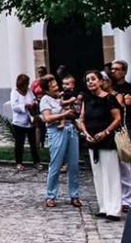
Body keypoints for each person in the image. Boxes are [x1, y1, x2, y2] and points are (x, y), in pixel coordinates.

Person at [79, 70, 123, 221]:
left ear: (100, 81)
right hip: (92, 140)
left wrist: (105, 132)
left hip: (107, 140)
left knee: (111, 174)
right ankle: (103, 206)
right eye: (88, 80)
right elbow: (81, 119)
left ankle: (114, 209)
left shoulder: (109, 99)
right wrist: (86, 133)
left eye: (93, 79)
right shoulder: (86, 99)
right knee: (98, 175)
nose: (90, 82)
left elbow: (117, 118)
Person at [40, 77, 81, 208]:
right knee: (56, 164)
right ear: (47, 88)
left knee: (74, 164)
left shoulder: (62, 97)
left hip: (71, 129)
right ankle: (51, 195)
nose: (56, 87)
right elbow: (47, 118)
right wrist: (63, 115)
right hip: (56, 131)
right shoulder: (45, 100)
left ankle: (74, 195)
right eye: (52, 85)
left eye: (55, 84)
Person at [109, 60, 131, 207]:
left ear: (124, 71)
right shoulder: (111, 87)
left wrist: (116, 97)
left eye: (117, 69)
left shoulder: (130, 87)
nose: (114, 71)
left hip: (127, 125)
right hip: (112, 127)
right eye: (112, 69)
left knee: (128, 157)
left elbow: (126, 103)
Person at [10, 74, 40, 171]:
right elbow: (14, 107)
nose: (26, 86)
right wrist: (25, 106)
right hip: (19, 122)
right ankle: (19, 162)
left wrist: (34, 104)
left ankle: (36, 162)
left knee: (33, 143)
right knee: (19, 144)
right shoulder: (14, 93)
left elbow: (34, 99)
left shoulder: (29, 91)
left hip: (30, 121)